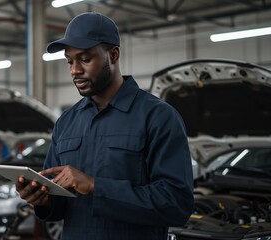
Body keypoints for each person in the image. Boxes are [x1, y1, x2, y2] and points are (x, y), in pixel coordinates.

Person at [15, 12, 194, 240]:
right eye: (70, 61)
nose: (74, 71)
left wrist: (94, 186)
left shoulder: (158, 117)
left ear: (113, 54)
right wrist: (42, 199)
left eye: (85, 59)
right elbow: (59, 205)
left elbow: (177, 205)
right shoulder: (67, 122)